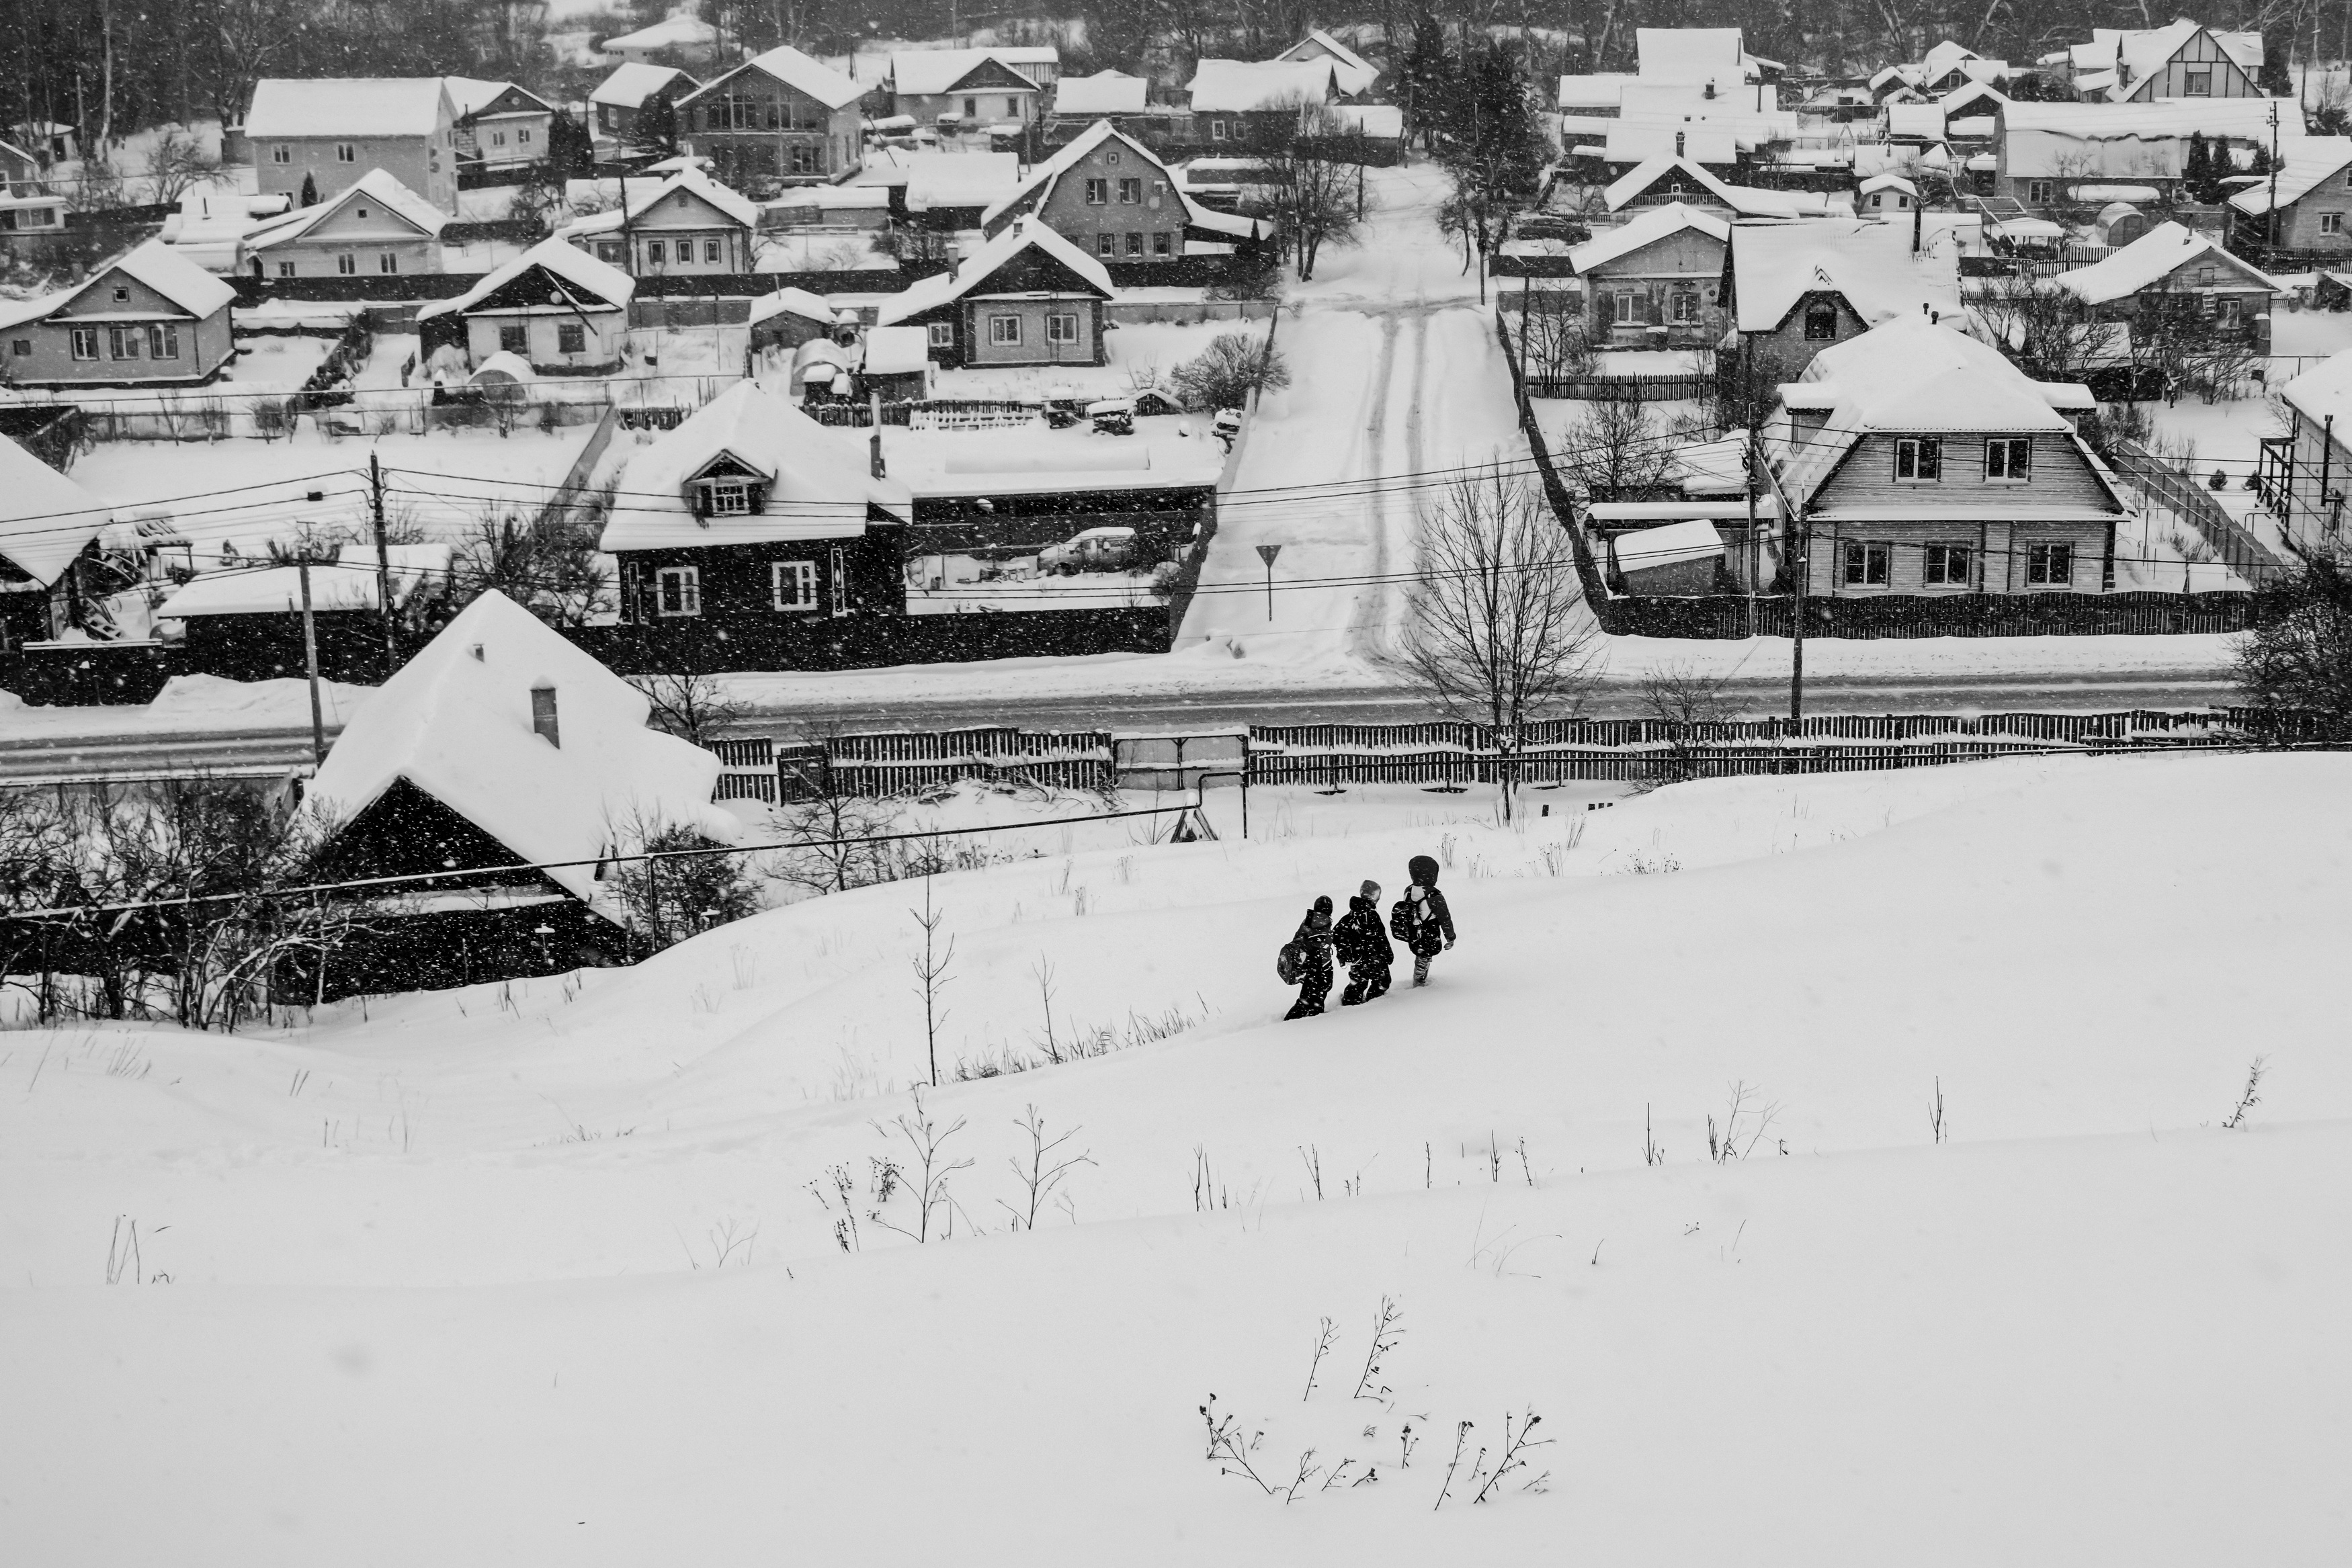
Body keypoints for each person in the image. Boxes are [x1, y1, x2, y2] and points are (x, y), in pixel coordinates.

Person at [1390, 854, 1456, 988]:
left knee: (1421, 953)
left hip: (1414, 931)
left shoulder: (1408, 890)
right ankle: (1419, 981)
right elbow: (1445, 918)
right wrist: (1450, 937)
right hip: (1429, 930)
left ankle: (1421, 976)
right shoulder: (1435, 896)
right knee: (1426, 955)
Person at [1335, 879, 1393, 1006]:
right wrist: (1387, 953)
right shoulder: (1371, 915)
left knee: (1358, 981)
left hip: (1356, 958)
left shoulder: (1352, 913)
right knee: (1383, 981)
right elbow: (1381, 936)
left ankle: (1350, 1003)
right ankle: (1373, 1003)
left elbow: (1337, 932)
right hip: (1372, 957)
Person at [1285, 895, 1336, 1019]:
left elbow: (1297, 938)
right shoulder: (1324, 922)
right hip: (1321, 962)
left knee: (1307, 994)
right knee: (1319, 991)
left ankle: (1302, 1014)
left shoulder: (1307, 920)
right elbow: (1326, 942)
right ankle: (1314, 1016)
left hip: (1307, 963)